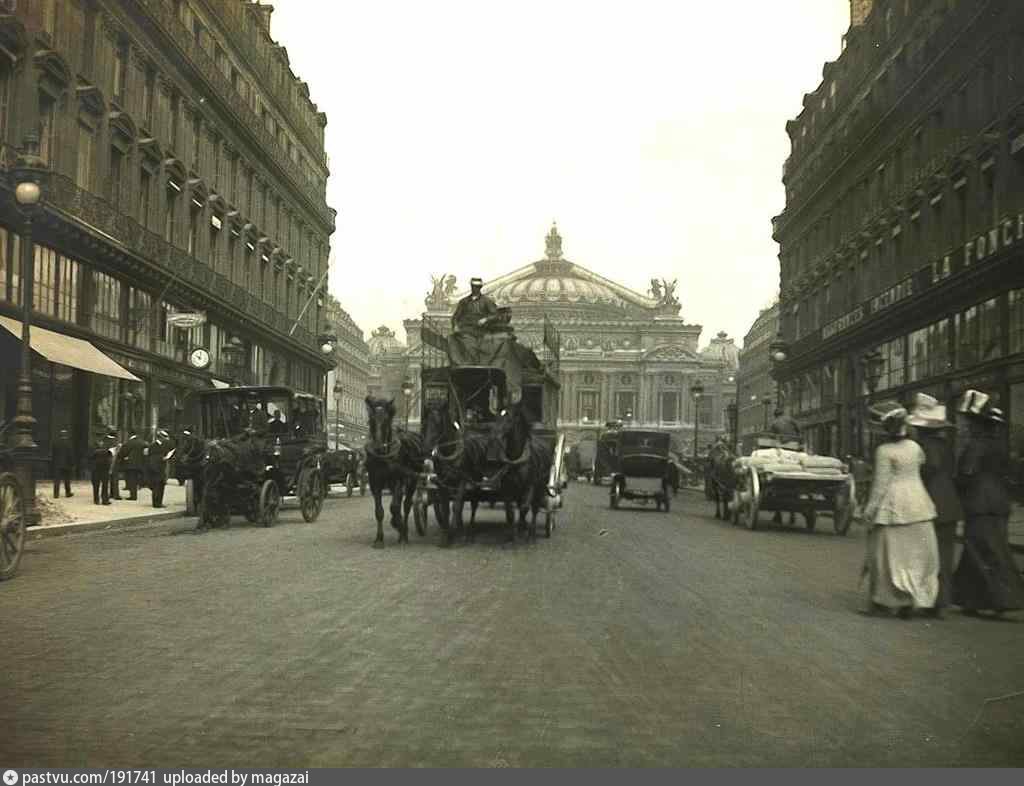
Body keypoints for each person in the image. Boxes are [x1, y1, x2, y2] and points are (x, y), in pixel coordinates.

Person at [860, 401, 940, 619]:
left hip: (894, 504)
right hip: (919, 502)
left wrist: (870, 510)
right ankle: (912, 599)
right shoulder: (915, 447)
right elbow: (921, 465)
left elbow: (880, 484)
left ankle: (887, 600)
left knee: (887, 555)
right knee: (916, 555)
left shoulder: (883, 451)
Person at [951, 390, 1024, 618]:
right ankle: (975, 600)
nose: (966, 426)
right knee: (994, 548)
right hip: (999, 502)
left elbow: (967, 474)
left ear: (978, 424)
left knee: (979, 550)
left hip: (978, 503)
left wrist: (955, 484)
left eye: (969, 421)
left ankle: (1000, 598)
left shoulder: (975, 446)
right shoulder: (1000, 446)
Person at [907, 393, 963, 618]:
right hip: (950, 503)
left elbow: (928, 471)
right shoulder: (946, 446)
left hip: (929, 504)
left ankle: (928, 601)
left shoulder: (922, 447)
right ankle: (942, 602)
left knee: (927, 555)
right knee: (945, 555)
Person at [146, 429, 173, 508]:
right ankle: (156, 503)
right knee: (156, 486)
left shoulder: (163, 445)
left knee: (161, 486)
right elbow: (152, 458)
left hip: (162, 468)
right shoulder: (153, 446)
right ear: (160, 437)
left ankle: (159, 502)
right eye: (164, 437)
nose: (166, 439)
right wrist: (162, 458)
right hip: (156, 469)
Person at [119, 431, 147, 501]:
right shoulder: (143, 443)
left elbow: (123, 452)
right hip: (140, 464)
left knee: (132, 480)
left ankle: (133, 496)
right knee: (137, 479)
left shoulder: (129, 443)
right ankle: (139, 487)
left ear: (130, 435)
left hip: (130, 465)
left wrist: (123, 458)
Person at [90, 433, 114, 505]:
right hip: (98, 467)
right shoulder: (94, 445)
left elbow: (110, 455)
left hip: (103, 467)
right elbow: (90, 456)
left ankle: (102, 499)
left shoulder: (105, 445)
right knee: (98, 484)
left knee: (103, 485)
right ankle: (99, 499)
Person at [51, 428, 74, 499]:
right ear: (66, 435)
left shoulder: (55, 443)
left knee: (57, 480)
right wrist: (72, 463)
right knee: (67, 479)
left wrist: (53, 462)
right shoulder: (68, 443)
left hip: (57, 463)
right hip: (66, 464)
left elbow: (53, 454)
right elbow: (70, 454)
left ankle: (56, 494)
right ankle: (68, 493)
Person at [108, 431, 123, 500]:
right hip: (114, 462)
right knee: (115, 479)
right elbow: (115, 454)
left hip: (107, 462)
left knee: (111, 479)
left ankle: (111, 493)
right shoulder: (115, 443)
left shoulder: (106, 441)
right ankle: (116, 494)